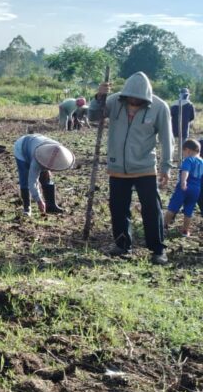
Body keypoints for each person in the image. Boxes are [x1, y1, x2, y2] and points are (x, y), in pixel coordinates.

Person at [89, 71, 173, 265]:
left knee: (152, 209)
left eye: (138, 98)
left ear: (146, 97)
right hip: (117, 165)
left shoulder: (159, 107)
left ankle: (158, 250)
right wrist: (98, 97)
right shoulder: (113, 101)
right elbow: (93, 116)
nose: (134, 101)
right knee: (118, 207)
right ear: (125, 94)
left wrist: (166, 167)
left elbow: (167, 140)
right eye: (130, 97)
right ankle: (122, 245)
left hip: (145, 166)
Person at [13, 134, 75, 216]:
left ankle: (51, 206)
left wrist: (47, 170)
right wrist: (39, 201)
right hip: (21, 147)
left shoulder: (58, 149)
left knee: (46, 177)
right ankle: (27, 208)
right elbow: (32, 182)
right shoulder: (36, 161)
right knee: (25, 178)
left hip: (36, 143)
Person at [164, 139, 203, 237]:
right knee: (189, 210)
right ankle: (185, 231)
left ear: (188, 150)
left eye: (183, 152)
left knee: (173, 207)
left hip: (185, 188)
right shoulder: (201, 161)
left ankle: (163, 226)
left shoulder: (189, 159)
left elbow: (185, 171)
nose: (183, 154)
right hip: (196, 189)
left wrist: (183, 182)